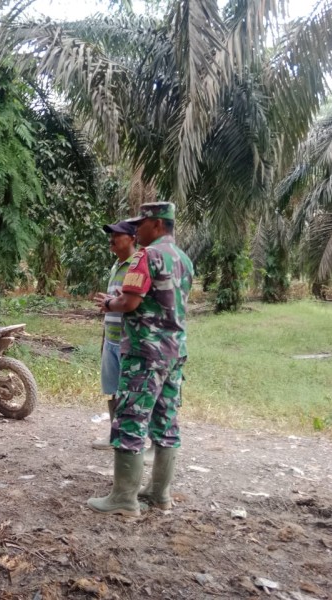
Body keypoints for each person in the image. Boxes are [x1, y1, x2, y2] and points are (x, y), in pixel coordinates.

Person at [89, 202, 194, 516]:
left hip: (145, 353)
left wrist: (110, 302)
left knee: (131, 421)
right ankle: (160, 494)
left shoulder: (146, 256)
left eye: (142, 224)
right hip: (174, 352)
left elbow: (131, 302)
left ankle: (124, 498)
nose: (137, 230)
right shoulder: (184, 259)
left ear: (158, 225)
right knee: (166, 422)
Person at [92, 220, 137, 450]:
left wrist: (114, 303)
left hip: (127, 340)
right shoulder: (116, 265)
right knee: (113, 390)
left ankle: (129, 438)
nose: (112, 239)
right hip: (111, 338)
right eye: (111, 235)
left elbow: (131, 303)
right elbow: (112, 304)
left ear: (131, 238)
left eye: (117, 235)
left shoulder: (136, 266)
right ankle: (115, 435)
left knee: (128, 392)